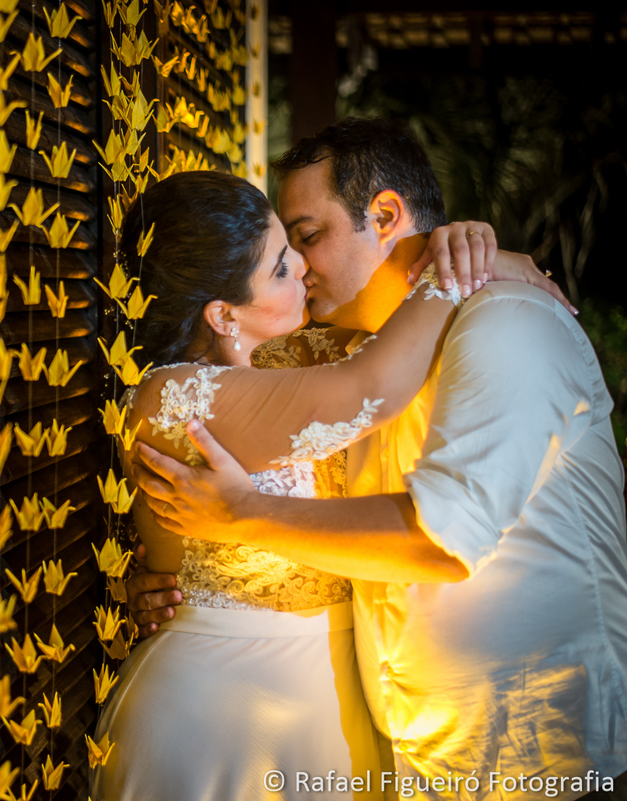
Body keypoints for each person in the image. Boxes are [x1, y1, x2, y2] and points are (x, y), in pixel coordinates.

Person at [128, 117, 627, 800]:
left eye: (306, 238)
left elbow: (440, 539)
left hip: (539, 756)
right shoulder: (328, 360)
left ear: (387, 214)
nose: (301, 267)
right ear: (221, 309)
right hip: (390, 746)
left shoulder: (506, 323)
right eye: (284, 256)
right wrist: (165, 572)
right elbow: (348, 395)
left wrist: (480, 263)